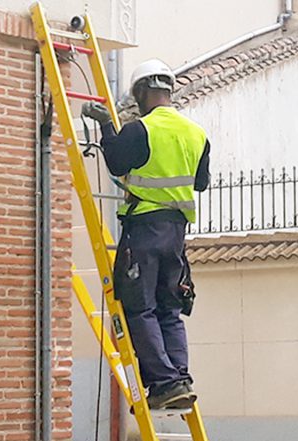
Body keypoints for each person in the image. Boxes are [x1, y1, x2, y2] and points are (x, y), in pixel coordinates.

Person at [82, 59, 211, 411]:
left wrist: (108, 125)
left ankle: (165, 383)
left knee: (140, 308)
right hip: (176, 235)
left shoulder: (141, 130)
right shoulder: (196, 134)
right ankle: (179, 378)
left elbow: (117, 163)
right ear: (169, 90)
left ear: (141, 93)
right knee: (169, 308)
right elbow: (201, 182)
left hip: (144, 231)